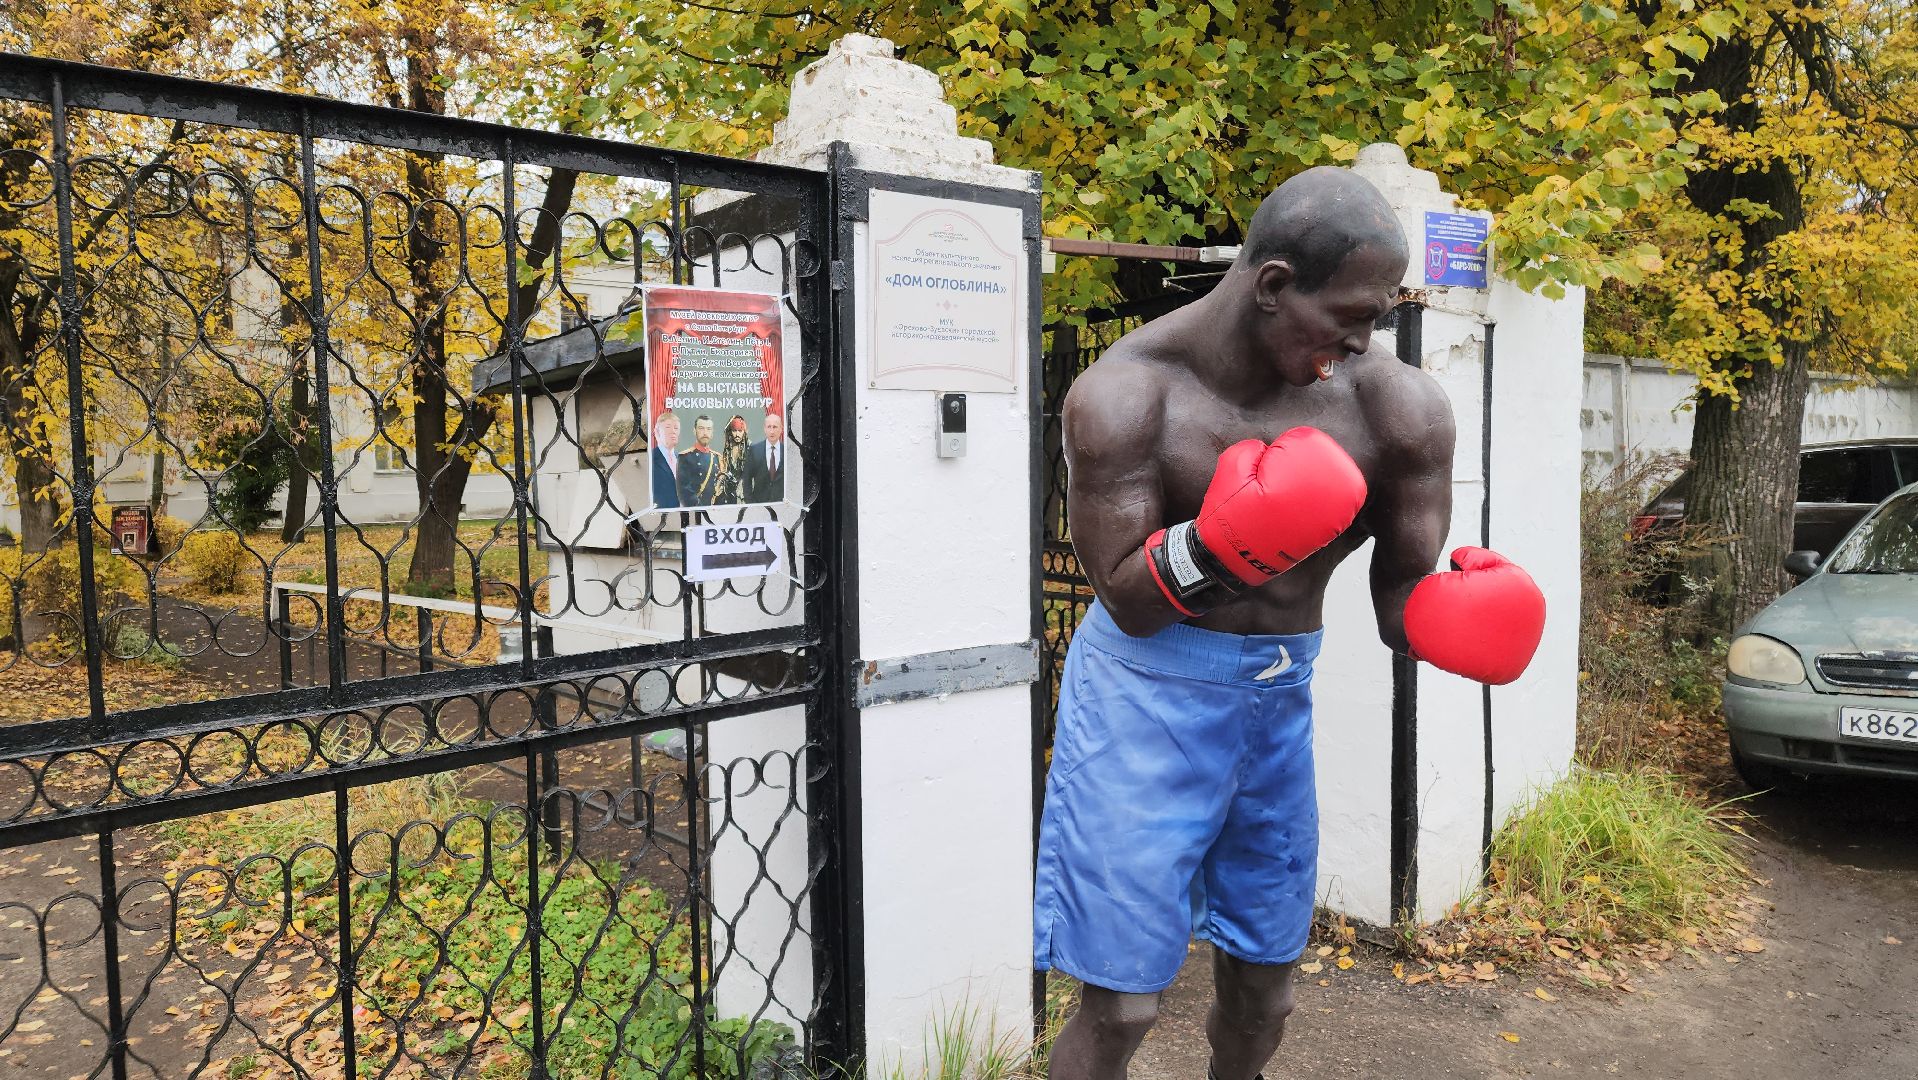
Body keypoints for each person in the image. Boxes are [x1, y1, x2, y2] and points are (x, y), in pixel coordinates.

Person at [1037, 167, 1546, 1080]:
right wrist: (1230, 545)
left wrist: (1456, 618)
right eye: (1347, 315)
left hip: (1276, 705)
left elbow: (1400, 605)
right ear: (1272, 286)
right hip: (1141, 699)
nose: (1360, 341)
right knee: (1120, 1004)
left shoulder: (1397, 411)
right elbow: (1126, 598)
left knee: (1264, 992)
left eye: (1378, 320)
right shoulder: (1127, 398)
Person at [676, 415, 723, 507]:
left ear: (712, 433)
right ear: (695, 431)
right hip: (696, 509)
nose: (705, 433)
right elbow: (683, 490)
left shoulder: (717, 457)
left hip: (715, 510)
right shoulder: (685, 456)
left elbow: (720, 487)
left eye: (709, 429)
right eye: (701, 428)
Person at [743, 410, 786, 504]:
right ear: (764, 429)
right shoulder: (754, 450)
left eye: (775, 427)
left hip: (781, 505)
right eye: (769, 427)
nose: (772, 431)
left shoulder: (786, 451)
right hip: (758, 504)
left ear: (781, 429)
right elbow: (746, 479)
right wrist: (750, 503)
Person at [713, 414, 751, 505]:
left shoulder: (749, 446)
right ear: (730, 432)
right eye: (734, 431)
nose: (737, 434)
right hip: (730, 489)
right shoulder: (728, 448)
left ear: (744, 432)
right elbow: (725, 469)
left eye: (740, 431)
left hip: (745, 490)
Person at [650, 411, 681, 509]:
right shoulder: (650, 458)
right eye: (668, 427)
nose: (673, 431)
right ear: (657, 432)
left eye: (676, 428)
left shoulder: (683, 459)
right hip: (662, 516)